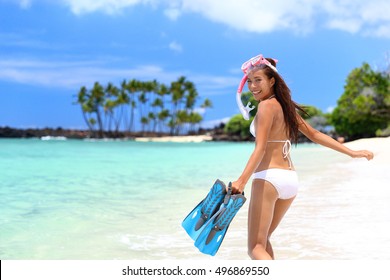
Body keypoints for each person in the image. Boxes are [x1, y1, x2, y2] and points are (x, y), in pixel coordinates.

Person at [231, 54, 374, 260]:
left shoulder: (265, 106)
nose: (253, 86)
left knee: (255, 248)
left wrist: (241, 180)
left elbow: (260, 148)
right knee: (265, 241)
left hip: (269, 178)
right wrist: (351, 152)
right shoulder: (285, 107)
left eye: (258, 80)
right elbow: (315, 135)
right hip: (289, 180)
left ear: (272, 81)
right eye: (250, 82)